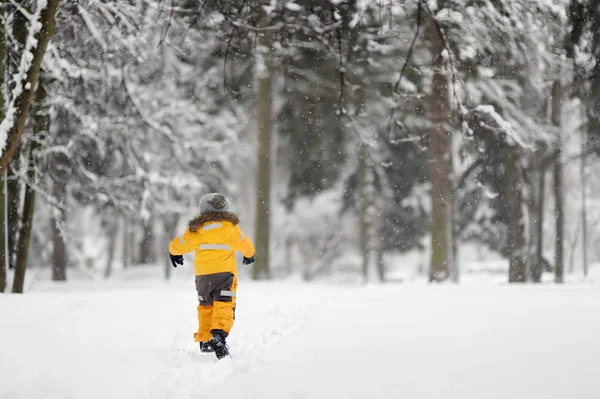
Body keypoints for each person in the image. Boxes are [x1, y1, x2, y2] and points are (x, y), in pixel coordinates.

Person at [168, 193, 255, 359]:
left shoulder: (197, 230)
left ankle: (206, 340)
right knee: (224, 305)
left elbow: (179, 244)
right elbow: (246, 244)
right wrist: (249, 255)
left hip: (203, 277)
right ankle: (219, 335)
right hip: (224, 276)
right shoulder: (231, 229)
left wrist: (174, 253)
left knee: (206, 306)